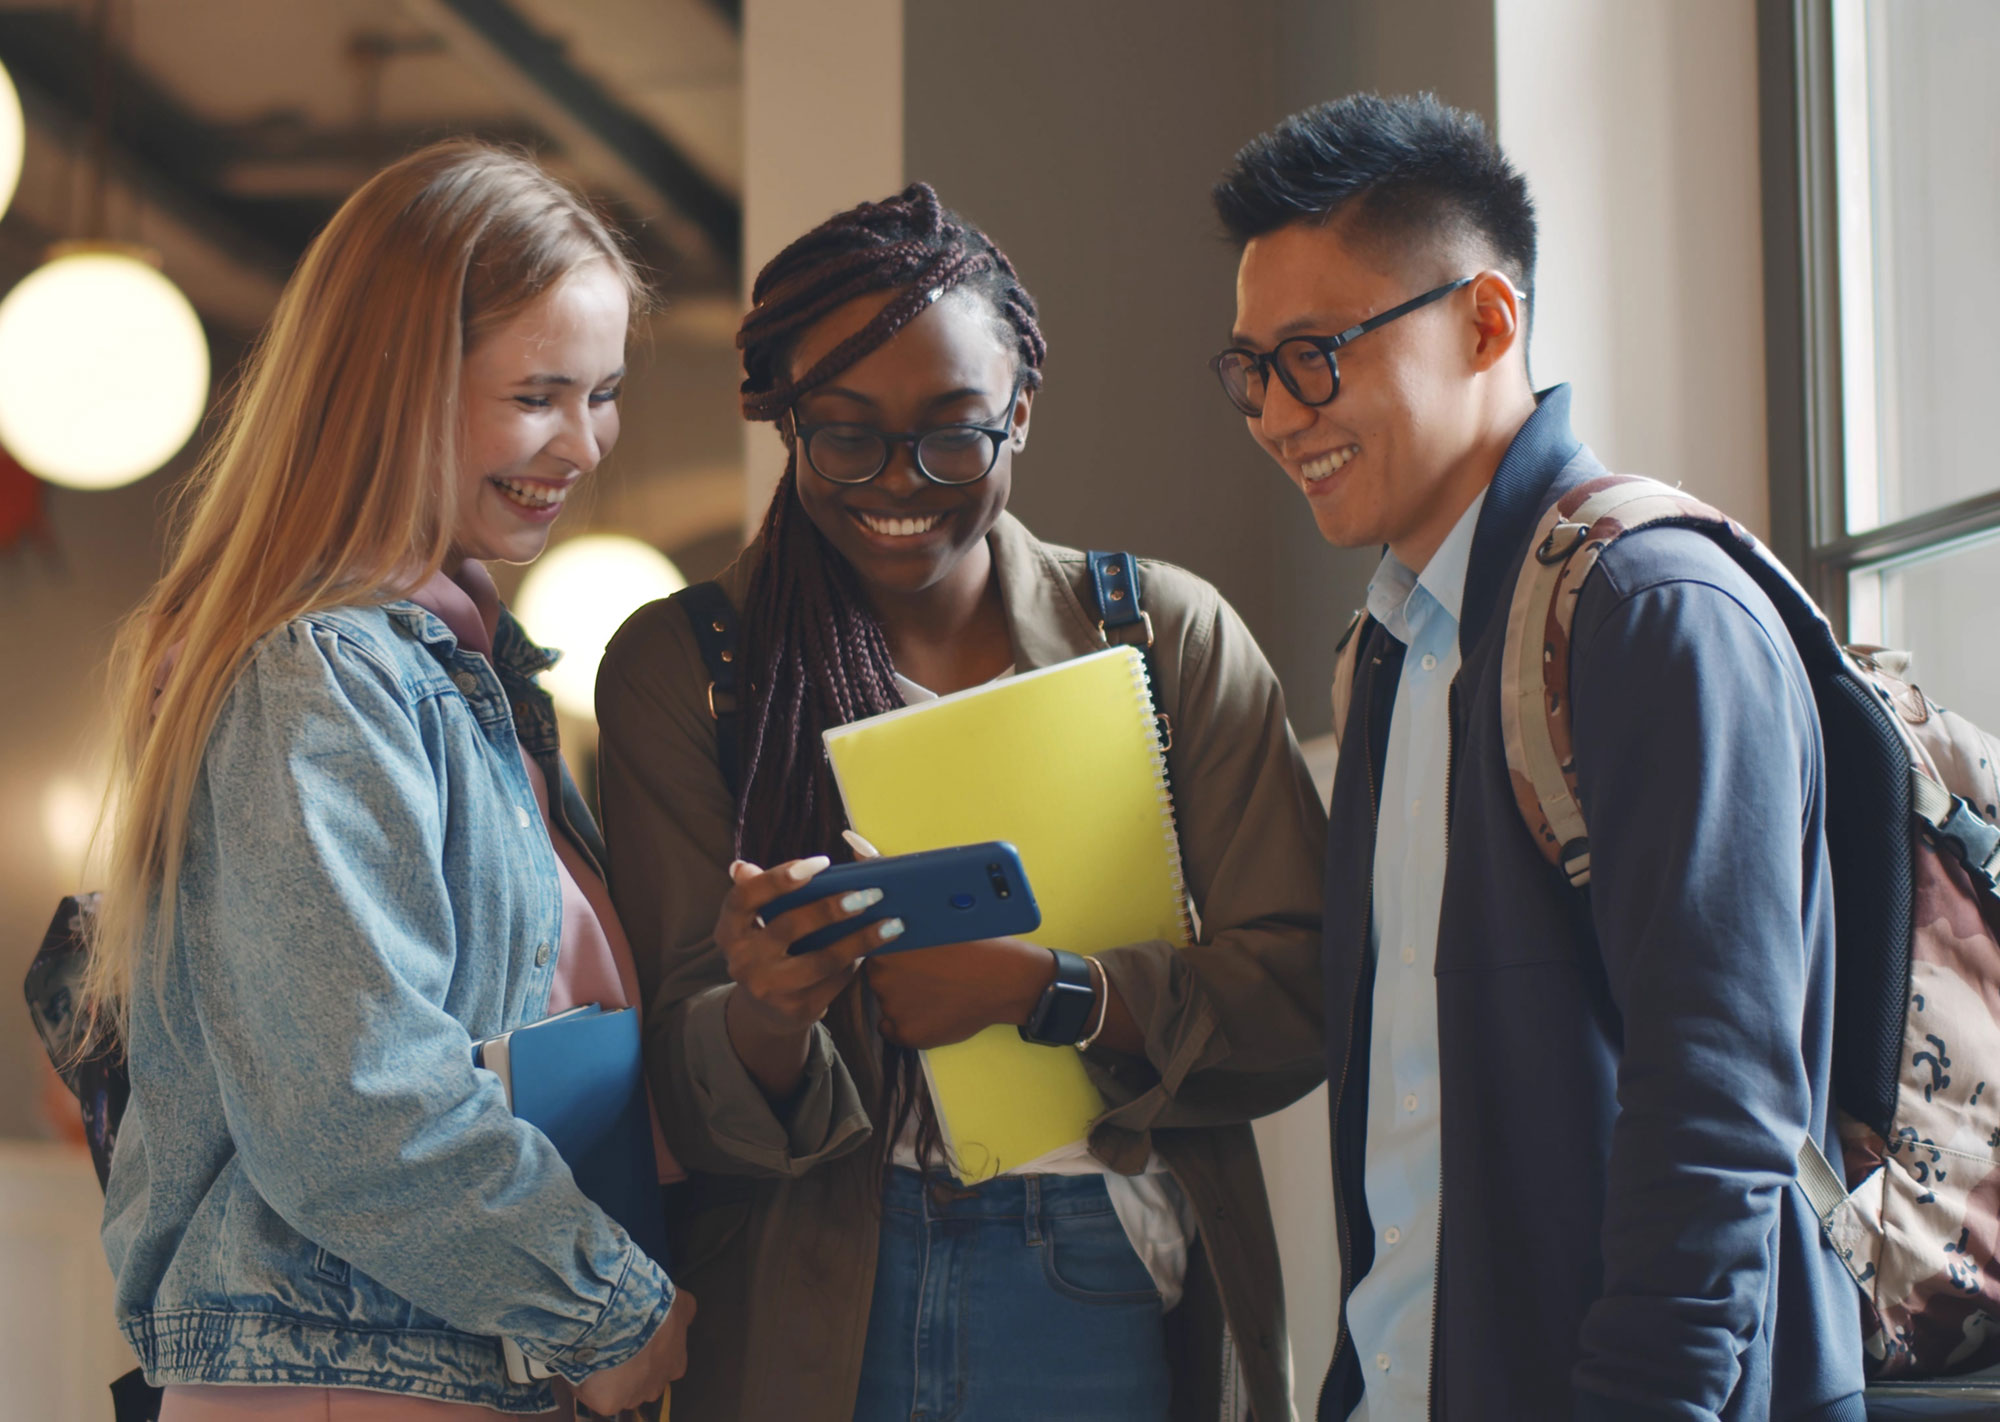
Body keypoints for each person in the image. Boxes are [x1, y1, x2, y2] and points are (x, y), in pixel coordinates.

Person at [593, 183, 1327, 1422]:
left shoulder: (1162, 637)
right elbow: (674, 1082)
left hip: (1093, 1259)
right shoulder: (690, 669)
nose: (899, 482)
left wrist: (1050, 990)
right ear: (784, 422)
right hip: (809, 1297)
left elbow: (1303, 995)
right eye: (843, 434)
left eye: (952, 434)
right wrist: (769, 1012)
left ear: (1020, 411)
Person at [1185, 94, 1863, 1419]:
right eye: (1250, 368)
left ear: (1487, 321)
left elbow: (1718, 1117)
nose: (1273, 414)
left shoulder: (1652, 615)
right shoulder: (1387, 647)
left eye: (1314, 354)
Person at [87, 141, 694, 1420]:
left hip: (449, 1358)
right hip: (356, 1374)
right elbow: (353, 1106)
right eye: (538, 395)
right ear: (396, 388)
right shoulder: (317, 674)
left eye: (605, 393)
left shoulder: (462, 672)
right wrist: (608, 1308)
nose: (584, 444)